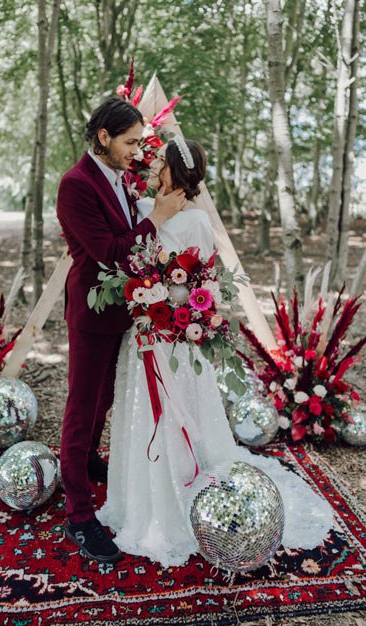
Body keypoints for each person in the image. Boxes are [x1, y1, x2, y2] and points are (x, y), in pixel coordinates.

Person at [97, 137, 333, 567]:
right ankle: (142, 503)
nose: (154, 169)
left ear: (175, 172)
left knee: (179, 412)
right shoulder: (145, 212)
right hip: (143, 335)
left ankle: (189, 494)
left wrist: (174, 313)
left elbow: (199, 286)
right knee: (142, 414)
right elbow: (127, 256)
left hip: (175, 340)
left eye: (160, 164)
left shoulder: (197, 224)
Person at [56, 97, 187, 564]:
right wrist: (159, 218)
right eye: (131, 142)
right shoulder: (74, 186)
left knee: (105, 401)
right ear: (104, 137)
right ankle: (79, 513)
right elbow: (112, 253)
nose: (137, 151)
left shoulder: (120, 177)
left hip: (124, 314)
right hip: (91, 317)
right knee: (81, 407)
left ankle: (90, 458)